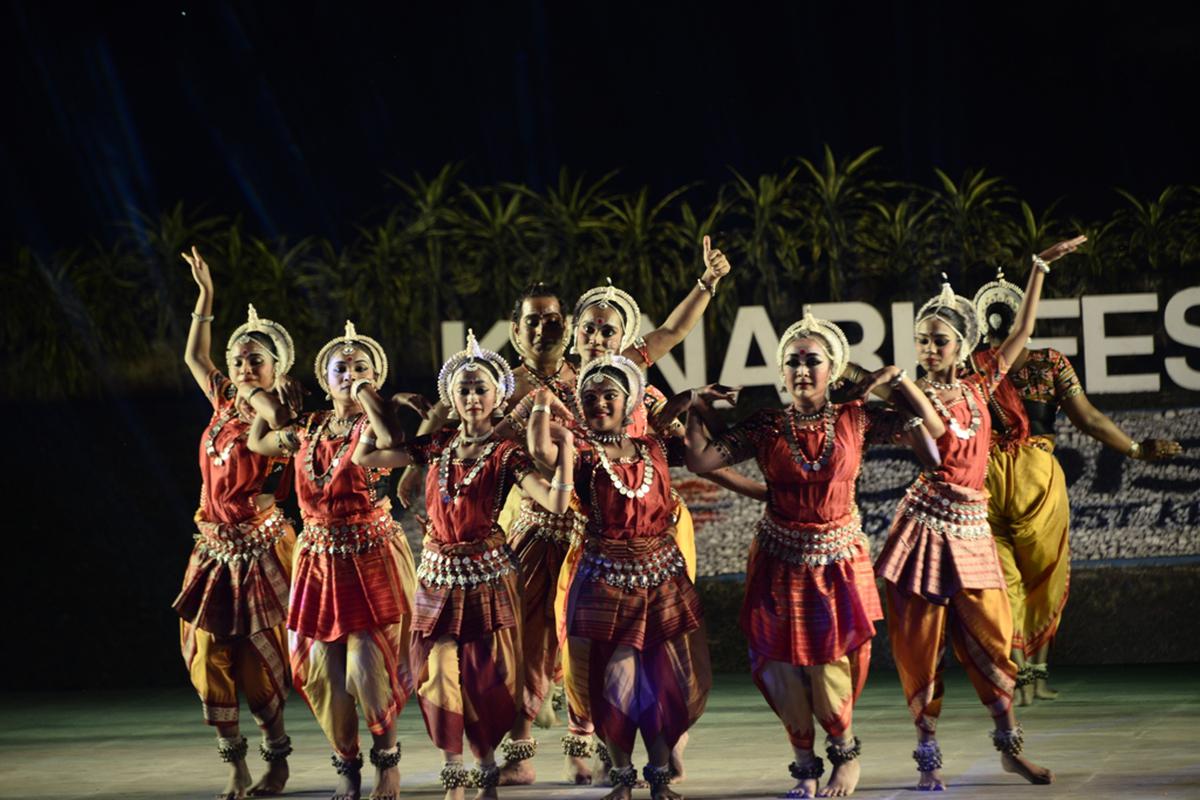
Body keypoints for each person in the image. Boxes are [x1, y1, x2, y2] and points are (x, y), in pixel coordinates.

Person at [682, 307, 943, 798]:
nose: (803, 370)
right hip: (779, 562)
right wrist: (696, 405)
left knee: (831, 665)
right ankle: (804, 761)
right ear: (782, 372)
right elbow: (700, 458)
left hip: (839, 561)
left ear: (833, 368)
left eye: (813, 361)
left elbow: (934, 446)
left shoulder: (859, 417)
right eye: (794, 362)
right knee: (780, 666)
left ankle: (844, 753)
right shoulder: (764, 426)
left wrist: (899, 382)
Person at [877, 240, 1083, 789]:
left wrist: (1037, 268)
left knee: (994, 638)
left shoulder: (980, 383)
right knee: (920, 645)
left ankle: (1010, 749)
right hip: (926, 529)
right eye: (922, 340)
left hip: (972, 528)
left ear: (962, 343)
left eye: (939, 340)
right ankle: (928, 758)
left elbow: (1020, 335)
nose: (928, 348)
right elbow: (935, 452)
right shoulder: (911, 396)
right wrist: (902, 395)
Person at [354, 331, 576, 800]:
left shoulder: (506, 453)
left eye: (481, 389)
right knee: (436, 672)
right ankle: (452, 769)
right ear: (451, 398)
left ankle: (487, 768)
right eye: (464, 389)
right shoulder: (434, 446)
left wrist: (566, 455)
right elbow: (367, 455)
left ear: (497, 396)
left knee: (484, 676)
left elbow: (554, 504)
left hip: (487, 576)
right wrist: (371, 401)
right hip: (437, 577)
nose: (473, 396)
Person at [971, 267, 1183, 703]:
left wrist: (1137, 449)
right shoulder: (988, 368)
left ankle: (1026, 678)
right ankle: (1031, 677)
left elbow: (1089, 419)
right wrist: (1137, 450)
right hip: (1015, 478)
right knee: (1026, 578)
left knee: (1018, 579)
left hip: (1010, 479)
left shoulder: (992, 367)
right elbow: (1089, 419)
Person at [248, 321, 420, 800]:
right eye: (340, 368)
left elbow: (391, 436)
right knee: (327, 671)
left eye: (361, 367)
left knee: (367, 668)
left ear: (375, 377)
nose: (350, 374)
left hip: (371, 556)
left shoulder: (372, 425)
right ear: (324, 379)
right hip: (319, 561)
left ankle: (387, 762)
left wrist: (368, 394)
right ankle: (347, 766)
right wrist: (274, 404)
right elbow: (258, 443)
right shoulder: (308, 428)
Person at [529, 354, 712, 800]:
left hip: (661, 578)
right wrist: (538, 402)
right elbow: (539, 452)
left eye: (609, 395)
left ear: (629, 401)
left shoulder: (652, 448)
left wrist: (693, 401)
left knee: (665, 678)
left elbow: (701, 453)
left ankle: (660, 777)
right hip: (605, 579)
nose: (599, 403)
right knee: (617, 679)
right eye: (590, 397)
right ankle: (623, 777)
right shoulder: (583, 453)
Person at [174, 247, 302, 799]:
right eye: (240, 359)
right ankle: (234, 761)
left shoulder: (281, 415)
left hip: (261, 550)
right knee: (207, 656)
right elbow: (194, 358)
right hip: (212, 549)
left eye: (257, 360)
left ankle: (276, 760)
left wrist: (254, 391)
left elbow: (272, 429)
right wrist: (206, 297)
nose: (245, 367)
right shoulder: (222, 399)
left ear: (277, 369)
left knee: (259, 663)